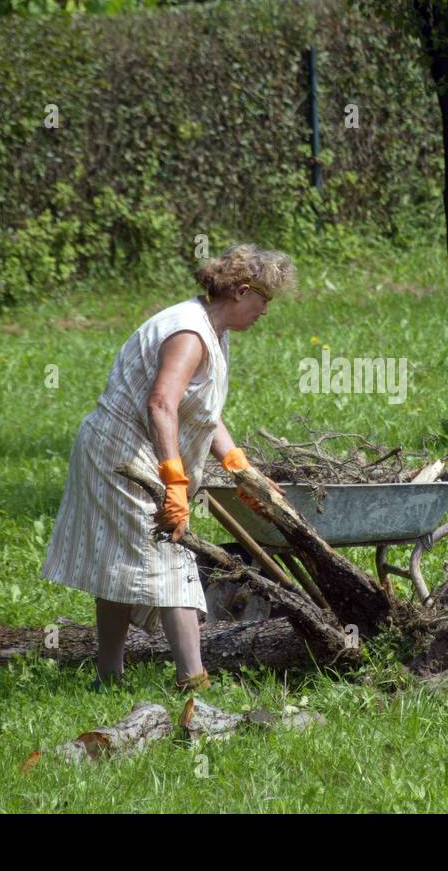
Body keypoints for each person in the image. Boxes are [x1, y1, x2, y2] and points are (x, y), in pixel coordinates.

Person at [40, 244, 296, 691]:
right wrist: (174, 482)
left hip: (130, 451)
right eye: (265, 301)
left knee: (119, 562)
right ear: (241, 291)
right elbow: (161, 403)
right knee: (171, 558)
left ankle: (108, 676)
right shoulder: (189, 333)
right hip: (120, 454)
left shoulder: (214, 331)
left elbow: (201, 412)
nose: (266, 312)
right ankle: (193, 683)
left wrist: (238, 467)